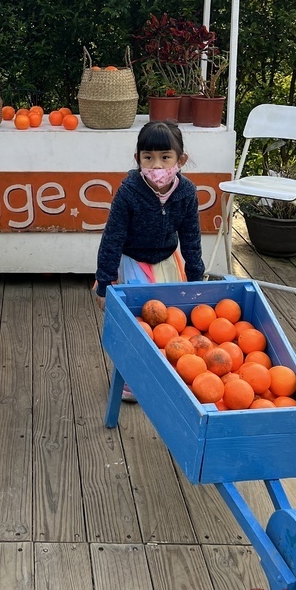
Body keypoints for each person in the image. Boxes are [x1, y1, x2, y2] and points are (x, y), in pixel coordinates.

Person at [94, 120, 204, 399]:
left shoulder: (187, 192)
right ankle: (130, 377)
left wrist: (195, 277)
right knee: (138, 323)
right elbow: (112, 237)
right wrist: (104, 281)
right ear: (138, 159)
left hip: (168, 261)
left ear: (181, 160)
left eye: (165, 157)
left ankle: (169, 372)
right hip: (133, 261)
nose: (156, 166)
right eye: (148, 157)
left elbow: (191, 236)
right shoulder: (129, 191)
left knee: (171, 321)